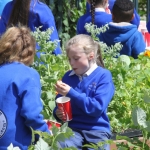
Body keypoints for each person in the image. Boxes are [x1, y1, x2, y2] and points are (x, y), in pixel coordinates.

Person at [53, 34, 115, 150]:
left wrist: (71, 92)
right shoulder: (68, 77)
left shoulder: (103, 76)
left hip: (97, 130)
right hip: (73, 129)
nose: (71, 63)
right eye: (69, 59)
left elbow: (97, 108)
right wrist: (57, 112)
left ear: (90, 56)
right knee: (61, 145)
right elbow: (60, 102)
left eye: (76, 58)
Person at [0, 26, 50, 150]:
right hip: (15, 144)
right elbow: (31, 115)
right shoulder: (28, 75)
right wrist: (47, 135)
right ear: (30, 52)